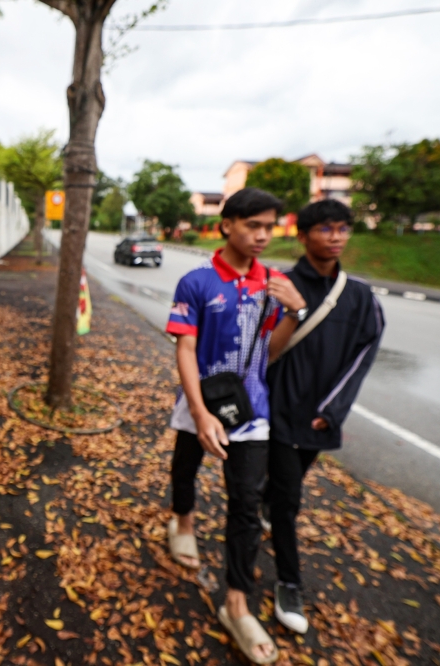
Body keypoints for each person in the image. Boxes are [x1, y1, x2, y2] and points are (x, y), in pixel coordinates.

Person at [166, 187, 308, 664]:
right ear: (227, 225)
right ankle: (182, 520)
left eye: (270, 226)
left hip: (252, 410)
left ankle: (236, 603)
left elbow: (270, 351)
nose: (263, 235)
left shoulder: (273, 281)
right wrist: (200, 413)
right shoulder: (197, 281)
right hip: (200, 399)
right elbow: (185, 348)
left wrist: (294, 310)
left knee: (246, 504)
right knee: (185, 465)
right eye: (253, 225)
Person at [264, 199, 384, 635]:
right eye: (325, 229)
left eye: (343, 229)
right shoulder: (279, 284)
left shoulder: (358, 296)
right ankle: (289, 584)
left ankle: (267, 500)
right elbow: (262, 350)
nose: (335, 237)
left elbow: (364, 355)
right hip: (276, 412)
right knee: (288, 501)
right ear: (303, 235)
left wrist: (333, 410)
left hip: (319, 417)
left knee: (287, 486)